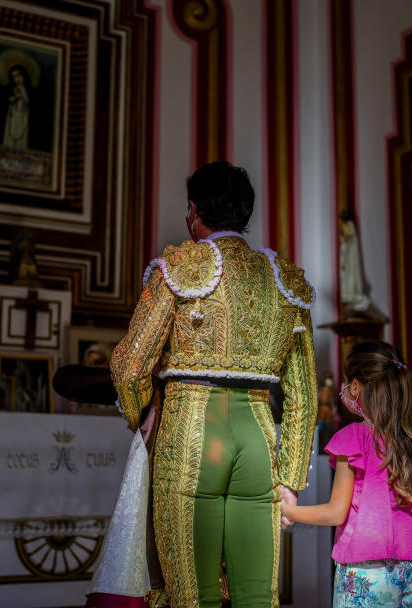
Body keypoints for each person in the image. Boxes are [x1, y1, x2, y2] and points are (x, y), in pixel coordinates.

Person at [109, 161, 318, 608]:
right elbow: (303, 393)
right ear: (246, 211)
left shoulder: (178, 267)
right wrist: (291, 477)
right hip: (259, 436)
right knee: (255, 596)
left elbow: (129, 366)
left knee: (192, 596)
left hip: (190, 430)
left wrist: (142, 416)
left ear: (193, 211)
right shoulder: (285, 281)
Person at [281, 341, 412, 608]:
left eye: (345, 385)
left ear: (355, 387)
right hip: (409, 572)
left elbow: (335, 513)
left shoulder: (352, 437)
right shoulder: (409, 440)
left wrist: (285, 510)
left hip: (364, 575)